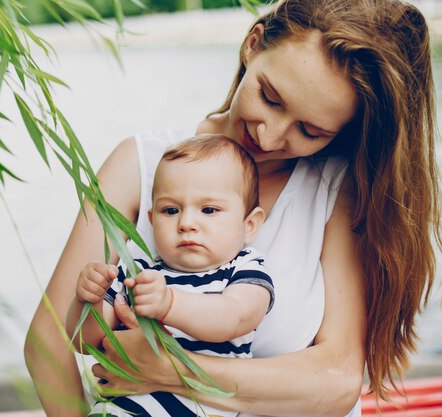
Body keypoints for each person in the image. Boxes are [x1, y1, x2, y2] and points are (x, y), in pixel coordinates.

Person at [25, 0, 441, 416]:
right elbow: (50, 340)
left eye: (310, 131)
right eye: (270, 97)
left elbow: (337, 381)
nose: (271, 136)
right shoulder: (140, 164)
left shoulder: (338, 190)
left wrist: (170, 370)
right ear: (252, 45)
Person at [65, 135, 275, 417]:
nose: (187, 223)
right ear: (152, 221)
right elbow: (85, 343)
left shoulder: (244, 269)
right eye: (171, 210)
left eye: (209, 210)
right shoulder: (137, 272)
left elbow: (234, 317)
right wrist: (86, 301)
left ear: (249, 225)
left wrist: (169, 304)